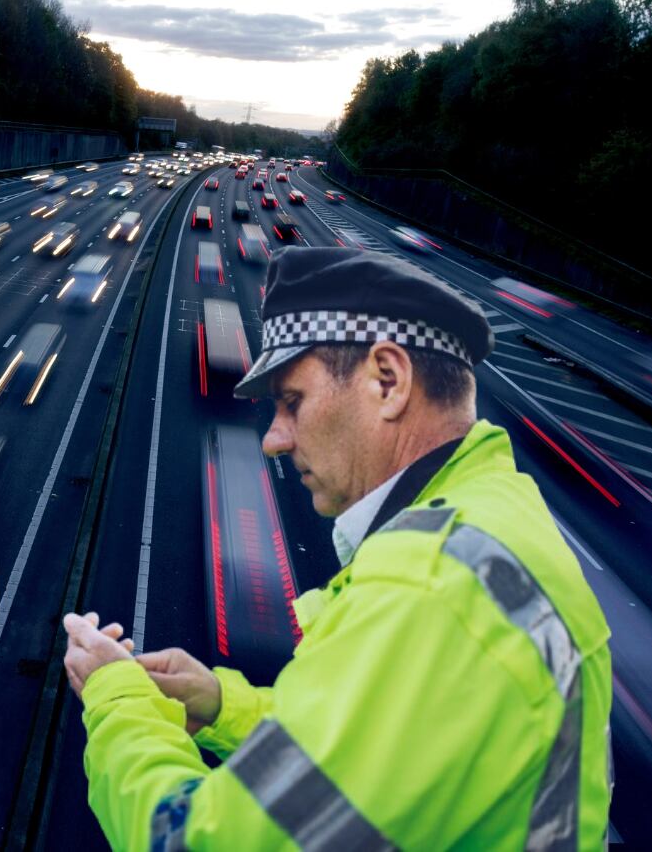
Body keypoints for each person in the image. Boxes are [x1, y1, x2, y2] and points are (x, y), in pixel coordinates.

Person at [64, 246, 612, 850]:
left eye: (291, 400)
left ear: (388, 380)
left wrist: (116, 699)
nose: (273, 440)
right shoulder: (496, 517)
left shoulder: (427, 585)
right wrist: (223, 705)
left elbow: (195, 839)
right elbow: (390, 750)